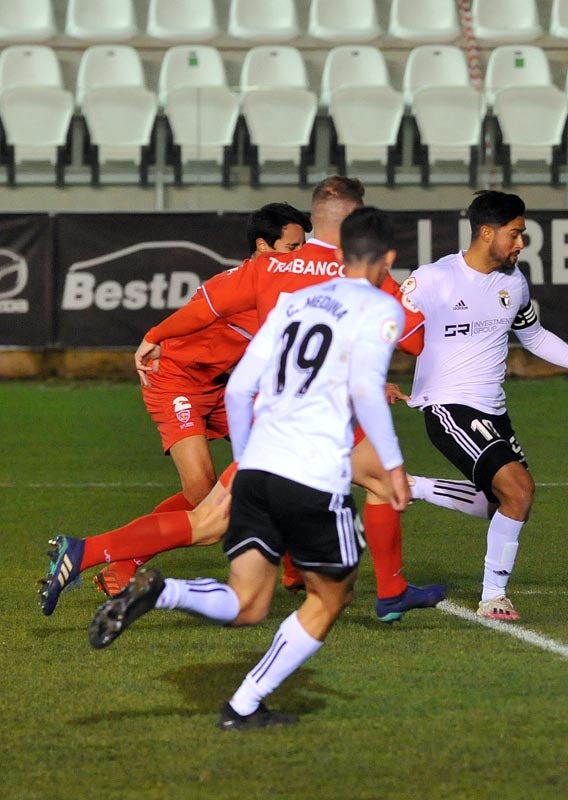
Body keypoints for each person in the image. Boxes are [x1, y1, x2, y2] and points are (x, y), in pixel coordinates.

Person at [40, 178, 442, 622]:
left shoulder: (269, 267)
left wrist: (153, 334)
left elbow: (207, 307)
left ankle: (387, 592)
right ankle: (107, 559)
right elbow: (416, 339)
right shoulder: (362, 274)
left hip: (274, 409)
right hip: (297, 418)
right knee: (211, 520)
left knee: (373, 485)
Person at [88, 206, 412, 730]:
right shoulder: (379, 309)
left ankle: (164, 591)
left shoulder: (294, 301)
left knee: (247, 601)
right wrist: (392, 464)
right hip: (312, 473)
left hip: (258, 468)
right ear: (387, 258)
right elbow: (362, 391)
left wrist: (247, 458)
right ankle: (244, 701)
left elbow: (239, 389)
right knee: (332, 596)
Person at [395, 190, 568, 621]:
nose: (521, 244)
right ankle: (493, 597)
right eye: (516, 234)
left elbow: (535, 336)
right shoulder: (433, 280)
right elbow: (382, 327)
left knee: (501, 503)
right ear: (487, 233)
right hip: (448, 407)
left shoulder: (514, 282)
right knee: (519, 490)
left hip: (494, 412)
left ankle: (414, 488)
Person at [90, 203, 311, 596]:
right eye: (293, 248)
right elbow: (196, 313)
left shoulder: (287, 285)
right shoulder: (240, 281)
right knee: (201, 493)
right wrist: (154, 338)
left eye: (304, 246)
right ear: (263, 246)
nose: (302, 257)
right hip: (177, 379)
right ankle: (116, 559)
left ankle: (296, 568)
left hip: (226, 388)